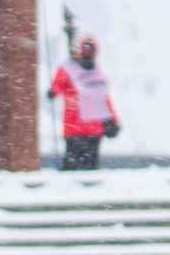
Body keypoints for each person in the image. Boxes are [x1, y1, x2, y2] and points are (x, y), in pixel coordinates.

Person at [48, 35, 120, 170]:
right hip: (74, 128)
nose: (88, 52)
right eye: (85, 48)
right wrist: (53, 91)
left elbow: (103, 99)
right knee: (72, 168)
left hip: (94, 130)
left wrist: (112, 120)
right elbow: (58, 86)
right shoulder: (69, 70)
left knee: (89, 169)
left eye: (91, 49)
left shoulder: (97, 73)